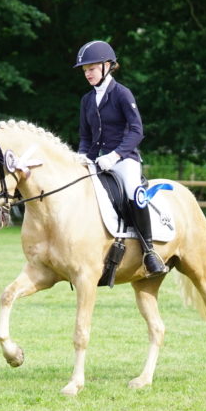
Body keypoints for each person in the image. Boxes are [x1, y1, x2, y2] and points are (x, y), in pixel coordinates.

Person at [74, 40, 167, 276]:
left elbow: (137, 130)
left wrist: (115, 155)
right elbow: (85, 136)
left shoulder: (122, 94)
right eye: (85, 71)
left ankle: (149, 251)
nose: (88, 74)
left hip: (124, 159)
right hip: (96, 161)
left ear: (107, 66)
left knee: (134, 193)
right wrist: (83, 157)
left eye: (92, 69)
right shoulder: (86, 100)